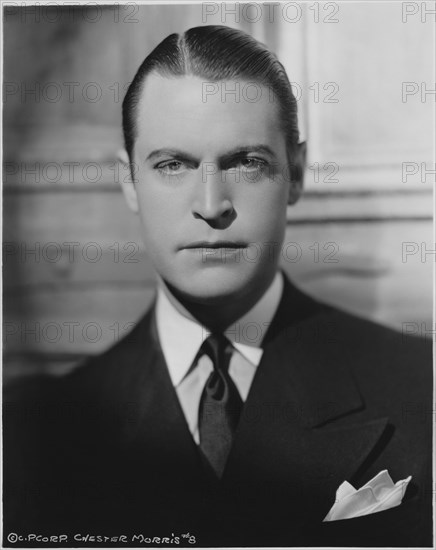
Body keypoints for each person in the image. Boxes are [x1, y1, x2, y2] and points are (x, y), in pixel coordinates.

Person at [3, 25, 432, 547]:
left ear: (295, 172)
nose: (211, 204)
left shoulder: (422, 387)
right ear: (128, 181)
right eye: (172, 164)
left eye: (247, 162)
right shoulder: (32, 433)